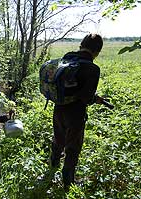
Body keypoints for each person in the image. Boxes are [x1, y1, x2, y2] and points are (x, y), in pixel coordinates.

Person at [49, 33, 105, 191]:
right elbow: (86, 97)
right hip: (75, 113)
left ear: (82, 44)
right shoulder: (93, 68)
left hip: (59, 106)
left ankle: (53, 164)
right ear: (97, 51)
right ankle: (68, 182)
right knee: (73, 146)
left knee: (58, 137)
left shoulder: (68, 56)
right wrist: (95, 99)